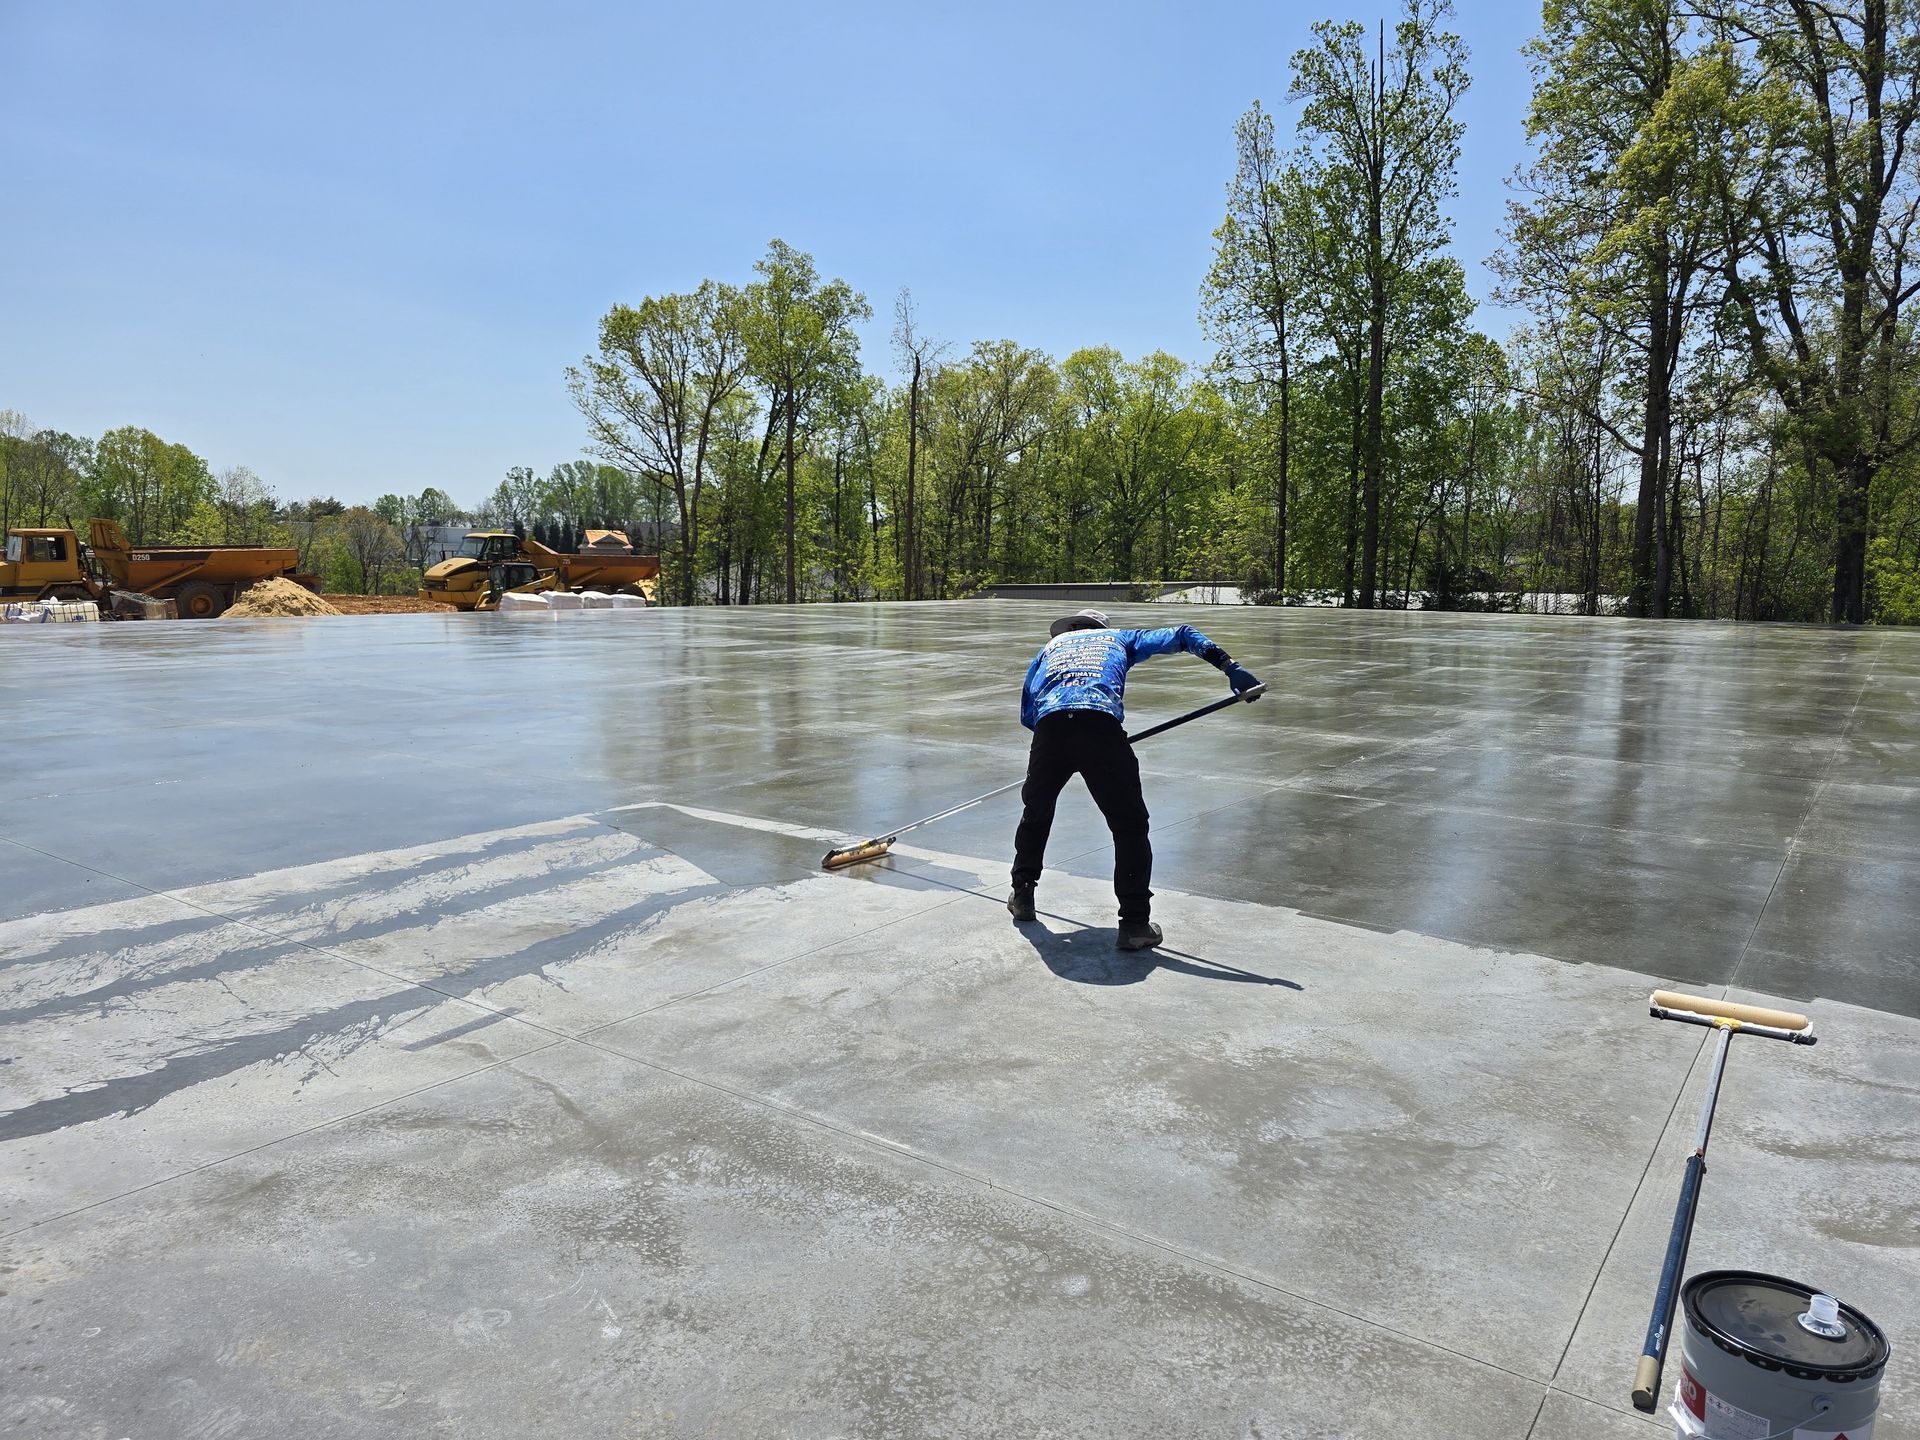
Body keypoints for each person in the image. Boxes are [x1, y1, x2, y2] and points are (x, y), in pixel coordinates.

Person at [1009, 608, 1261, 949]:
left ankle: (1022, 894)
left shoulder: (1051, 648)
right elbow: (1183, 634)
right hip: (1100, 725)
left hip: (1050, 729)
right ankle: (1135, 925)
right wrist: (1230, 667)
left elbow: (1028, 711)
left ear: (1070, 628)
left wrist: (1061, 743)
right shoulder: (1120, 638)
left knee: (1036, 812)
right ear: (1101, 628)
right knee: (1128, 826)